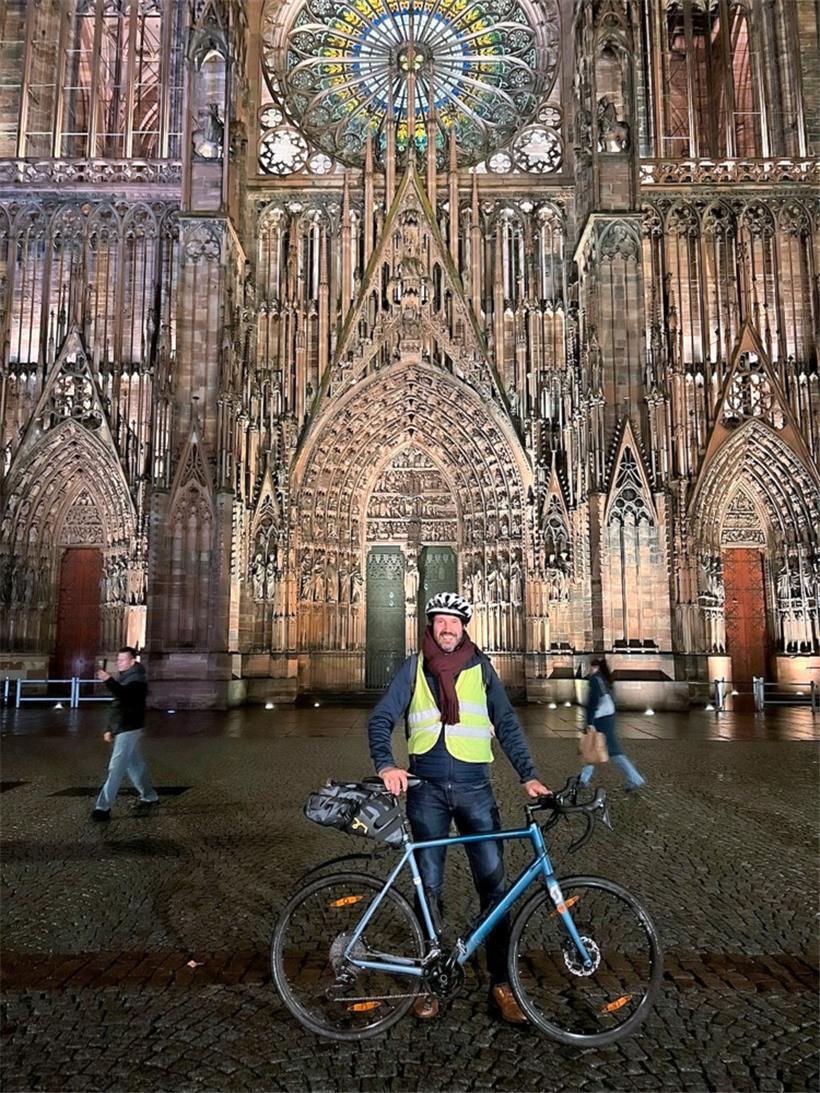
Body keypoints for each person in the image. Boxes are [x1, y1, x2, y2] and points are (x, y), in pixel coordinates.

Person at [368, 591, 550, 1023]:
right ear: (430, 626)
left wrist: (528, 774)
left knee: (495, 889)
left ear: (464, 626)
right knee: (428, 889)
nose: (447, 628)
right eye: (440, 621)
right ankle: (428, 983)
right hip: (426, 789)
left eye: (454, 621)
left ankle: (502, 984)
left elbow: (505, 723)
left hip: (475, 789)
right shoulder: (413, 668)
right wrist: (385, 763)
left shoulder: (481, 669)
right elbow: (381, 718)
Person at [90, 647, 158, 822]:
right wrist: (108, 728)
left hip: (129, 727)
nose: (118, 663)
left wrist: (108, 680)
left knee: (116, 767)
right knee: (134, 764)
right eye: (117, 660)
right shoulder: (127, 677)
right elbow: (117, 704)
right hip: (123, 726)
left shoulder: (137, 680)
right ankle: (149, 795)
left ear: (132, 661)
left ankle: (102, 807)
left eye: (122, 660)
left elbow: (125, 696)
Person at [578, 657, 645, 792]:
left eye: (590, 667)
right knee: (597, 746)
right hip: (608, 716)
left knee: (608, 750)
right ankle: (582, 780)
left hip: (601, 717)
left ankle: (635, 778)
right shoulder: (605, 679)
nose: (589, 669)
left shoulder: (595, 679)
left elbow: (592, 703)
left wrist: (589, 722)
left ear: (595, 667)